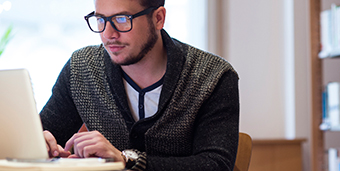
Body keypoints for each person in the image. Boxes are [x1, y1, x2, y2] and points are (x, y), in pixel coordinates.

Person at [39, 0, 239, 170]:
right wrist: (40, 142)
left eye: (122, 19)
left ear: (158, 18)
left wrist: (126, 159)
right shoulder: (82, 68)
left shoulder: (212, 76)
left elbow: (216, 164)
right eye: (101, 19)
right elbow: (45, 132)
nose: (108, 34)